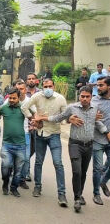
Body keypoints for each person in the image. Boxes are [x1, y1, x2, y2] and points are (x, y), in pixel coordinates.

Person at [35, 85, 109, 212]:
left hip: (89, 145)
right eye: (82, 96)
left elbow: (95, 122)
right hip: (75, 144)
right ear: (79, 96)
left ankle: (79, 194)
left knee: (83, 173)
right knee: (77, 171)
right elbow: (58, 117)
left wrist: (106, 131)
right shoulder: (72, 108)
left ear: (91, 97)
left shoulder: (95, 108)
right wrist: (42, 118)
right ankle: (76, 199)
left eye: (87, 96)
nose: (84, 99)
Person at [21, 78, 68, 207]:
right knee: (38, 162)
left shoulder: (60, 98)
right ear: (42, 87)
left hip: (54, 134)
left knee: (58, 163)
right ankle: (37, 186)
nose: (48, 89)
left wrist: (47, 119)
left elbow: (65, 116)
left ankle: (62, 194)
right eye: (45, 86)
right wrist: (32, 119)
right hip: (40, 134)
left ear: (54, 86)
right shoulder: (37, 96)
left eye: (50, 86)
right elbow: (24, 107)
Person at [0, 87, 26, 197]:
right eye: (10, 98)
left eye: (14, 98)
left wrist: (37, 123)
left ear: (18, 98)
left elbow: (35, 118)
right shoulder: (4, 108)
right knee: (6, 166)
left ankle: (14, 188)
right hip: (7, 145)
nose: (11, 100)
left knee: (18, 170)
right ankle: (5, 183)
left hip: (21, 145)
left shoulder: (24, 108)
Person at [87, 76, 110, 205]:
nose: (98, 88)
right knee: (98, 168)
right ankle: (96, 194)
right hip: (98, 139)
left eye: (101, 85)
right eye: (97, 85)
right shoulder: (95, 101)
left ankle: (103, 181)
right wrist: (106, 132)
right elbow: (95, 119)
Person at [12, 80, 35, 190]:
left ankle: (22, 179)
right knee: (13, 157)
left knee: (26, 158)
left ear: (25, 90)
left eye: (22, 89)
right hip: (12, 134)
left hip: (25, 133)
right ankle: (14, 177)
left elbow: (36, 114)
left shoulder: (29, 101)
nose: (20, 91)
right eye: (18, 89)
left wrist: (33, 124)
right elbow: (0, 111)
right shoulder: (10, 100)